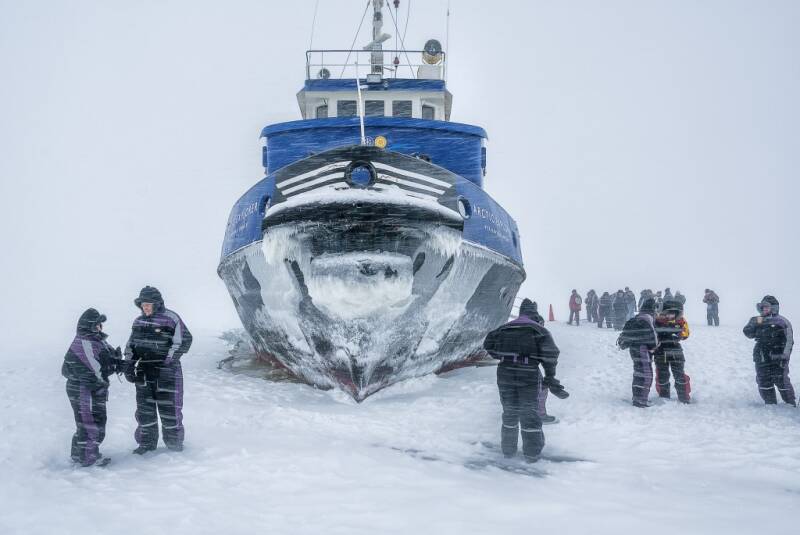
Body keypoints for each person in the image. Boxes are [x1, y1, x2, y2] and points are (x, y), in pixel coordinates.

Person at [483, 298, 567, 461]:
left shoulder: (504, 328)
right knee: (529, 412)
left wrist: (502, 355)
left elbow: (488, 343)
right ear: (534, 313)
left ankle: (508, 449)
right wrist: (550, 376)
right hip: (528, 373)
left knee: (509, 411)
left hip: (505, 372)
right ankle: (532, 453)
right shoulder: (538, 330)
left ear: (521, 312)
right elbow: (550, 354)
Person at [125, 286, 193, 454]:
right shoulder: (138, 322)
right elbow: (131, 346)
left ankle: (174, 445)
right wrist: (128, 364)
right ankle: (146, 444)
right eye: (143, 304)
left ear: (157, 304)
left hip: (167, 373)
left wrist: (166, 362)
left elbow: (184, 340)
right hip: (144, 372)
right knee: (144, 411)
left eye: (148, 304)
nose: (145, 307)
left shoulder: (171, 318)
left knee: (170, 410)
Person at [62, 308, 122, 466]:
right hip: (83, 389)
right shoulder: (84, 342)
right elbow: (95, 372)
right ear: (88, 325)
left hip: (91, 388)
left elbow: (104, 362)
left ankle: (80, 455)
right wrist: (104, 381)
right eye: (96, 325)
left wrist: (117, 362)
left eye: (100, 325)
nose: (99, 328)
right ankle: (88, 459)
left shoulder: (96, 340)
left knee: (91, 422)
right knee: (90, 424)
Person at [743, 296, 795, 406]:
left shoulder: (782, 321)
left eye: (767, 307)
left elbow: (789, 340)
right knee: (763, 379)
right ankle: (770, 403)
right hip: (761, 354)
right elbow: (748, 333)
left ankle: (790, 403)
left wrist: (784, 356)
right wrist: (754, 324)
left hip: (778, 355)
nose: (764, 309)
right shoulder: (757, 319)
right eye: (762, 307)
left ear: (774, 308)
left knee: (781, 380)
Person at [618, 298, 659, 407]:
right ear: (653, 308)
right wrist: (654, 347)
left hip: (634, 349)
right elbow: (653, 336)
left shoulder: (638, 317)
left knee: (638, 373)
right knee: (646, 374)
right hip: (643, 349)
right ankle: (641, 400)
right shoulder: (648, 318)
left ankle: (638, 397)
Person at [654, 299, 691, 403]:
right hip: (661, 351)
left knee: (679, 375)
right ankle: (664, 396)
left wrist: (679, 334)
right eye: (669, 313)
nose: (671, 316)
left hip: (675, 350)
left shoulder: (681, 321)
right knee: (662, 375)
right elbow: (653, 333)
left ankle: (684, 397)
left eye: (673, 314)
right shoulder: (657, 321)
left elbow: (686, 333)